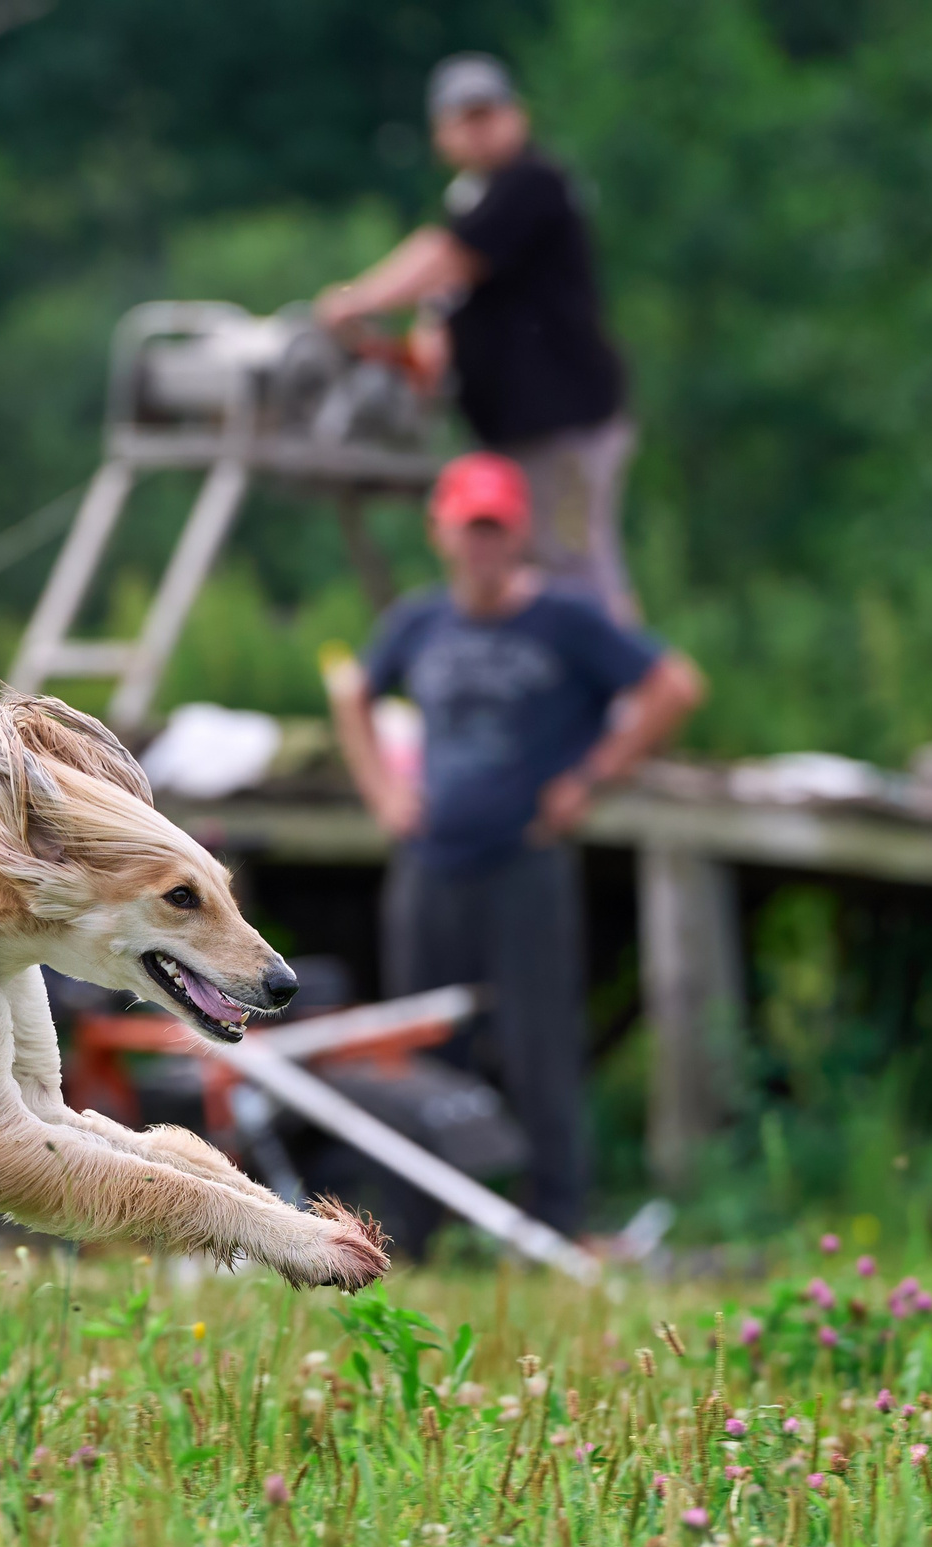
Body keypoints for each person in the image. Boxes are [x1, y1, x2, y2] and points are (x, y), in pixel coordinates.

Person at [326, 453, 702, 1236]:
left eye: (496, 530)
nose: (483, 546)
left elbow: (675, 684)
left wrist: (591, 779)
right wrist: (385, 793)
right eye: (470, 530)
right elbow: (353, 693)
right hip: (432, 863)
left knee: (541, 1044)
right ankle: (415, 1227)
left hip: (524, 860)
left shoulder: (566, 619)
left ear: (519, 533)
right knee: (423, 1047)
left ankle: (556, 1221)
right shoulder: (418, 622)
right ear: (442, 533)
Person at [316, 53, 639, 624]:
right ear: (442, 133)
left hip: (564, 426)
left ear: (517, 116)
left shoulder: (532, 183)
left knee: (574, 568)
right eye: (464, 118)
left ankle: (621, 694)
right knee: (532, 569)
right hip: (518, 429)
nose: (479, 128)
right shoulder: (474, 198)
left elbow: (450, 256)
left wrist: (357, 299)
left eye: (488, 114)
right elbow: (448, 307)